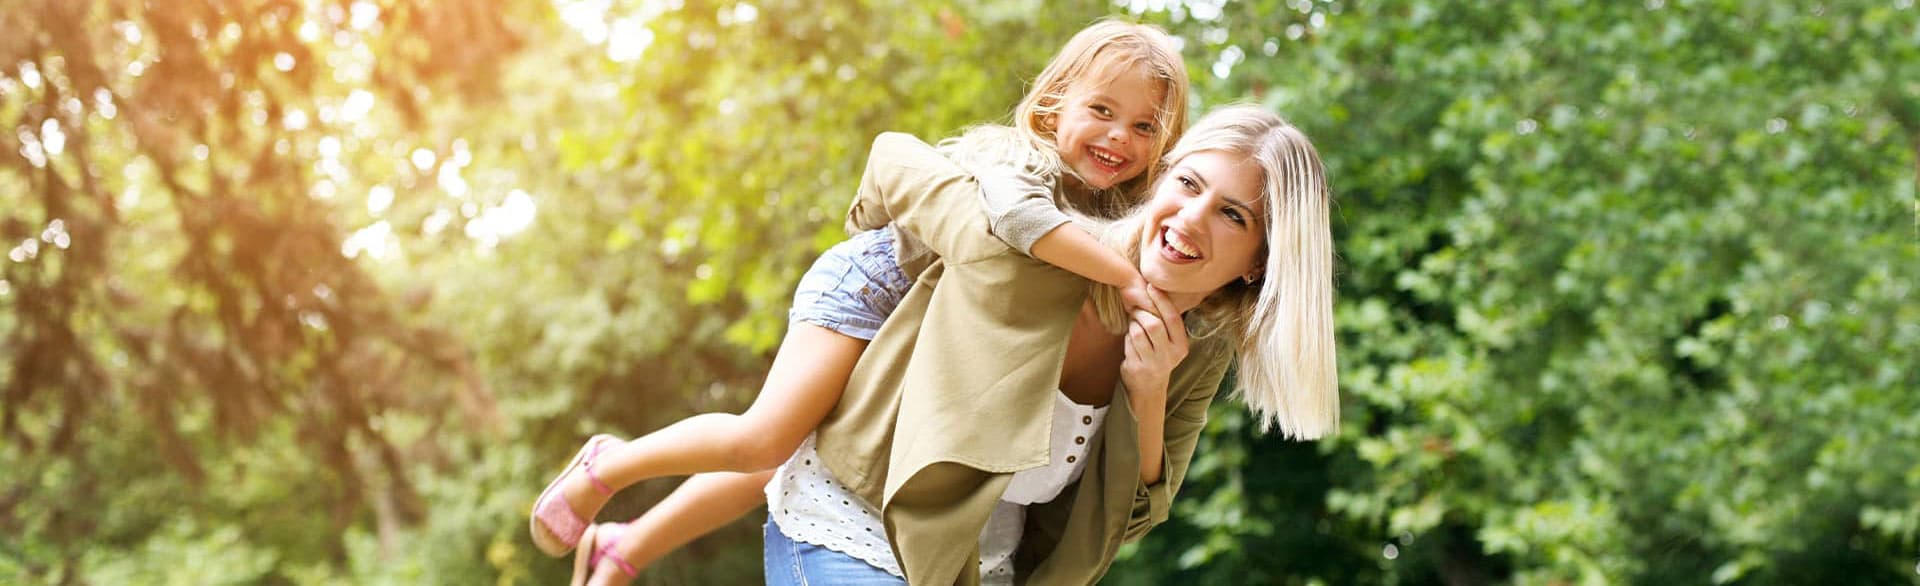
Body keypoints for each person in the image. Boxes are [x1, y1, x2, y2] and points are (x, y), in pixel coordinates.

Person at [529, 18, 1192, 576]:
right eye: (1101, 112)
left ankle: (626, 546)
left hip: (928, 333)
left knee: (805, 452)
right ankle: (608, 466)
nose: (1118, 138)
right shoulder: (1021, 163)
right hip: (875, 288)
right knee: (768, 438)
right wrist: (1125, 276)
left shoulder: (1131, 215)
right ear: (1054, 107)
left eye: (1143, 127)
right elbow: (1020, 225)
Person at [578, 105, 1339, 585]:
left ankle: (625, 543)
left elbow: (1135, 513)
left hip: (967, 563)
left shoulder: (1194, 353)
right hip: (858, 514)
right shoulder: (1048, 246)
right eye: (1188, 184)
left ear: (1260, 264)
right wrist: (884, 228)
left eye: (1234, 216)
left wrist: (1145, 396)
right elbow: (897, 163)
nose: (1192, 219)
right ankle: (614, 491)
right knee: (769, 437)